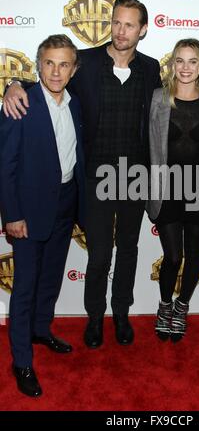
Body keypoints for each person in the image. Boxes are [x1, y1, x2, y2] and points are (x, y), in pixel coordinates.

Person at [3, 0, 162, 348]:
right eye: (116, 23)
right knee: (100, 253)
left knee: (130, 250)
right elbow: (47, 86)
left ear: (143, 30)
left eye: (129, 25)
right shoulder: (85, 62)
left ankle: (121, 313)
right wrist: (12, 84)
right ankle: (95, 318)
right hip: (94, 176)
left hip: (135, 175)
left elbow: (168, 106)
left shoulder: (151, 68)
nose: (121, 31)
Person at [0, 34, 85, 397]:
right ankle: (21, 360)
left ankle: (40, 330)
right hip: (29, 211)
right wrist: (13, 215)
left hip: (66, 203)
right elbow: (6, 165)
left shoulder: (75, 104)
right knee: (25, 287)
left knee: (50, 279)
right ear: (39, 65)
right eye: (49, 62)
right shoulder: (21, 103)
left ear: (73, 69)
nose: (56, 70)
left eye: (64, 63)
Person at [146, 39, 199, 342]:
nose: (186, 67)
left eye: (192, 61)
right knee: (173, 257)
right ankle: (165, 305)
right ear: (172, 64)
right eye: (180, 60)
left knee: (194, 256)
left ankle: (182, 307)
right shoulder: (157, 99)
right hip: (167, 191)